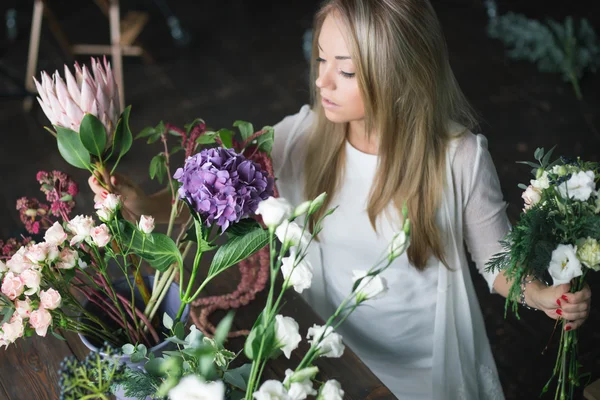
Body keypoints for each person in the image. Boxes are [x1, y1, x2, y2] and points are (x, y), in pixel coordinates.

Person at [89, 0, 592, 398]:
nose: (321, 81)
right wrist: (141, 202)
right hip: (326, 350)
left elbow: (496, 263)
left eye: (345, 71)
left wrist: (543, 296)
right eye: (321, 60)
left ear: (397, 74)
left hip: (426, 366)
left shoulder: (457, 157)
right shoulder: (307, 134)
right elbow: (213, 186)